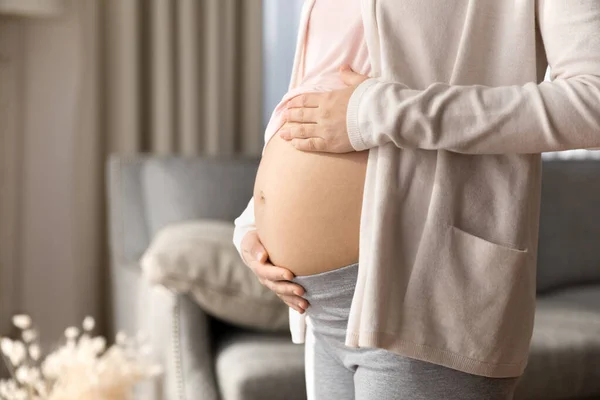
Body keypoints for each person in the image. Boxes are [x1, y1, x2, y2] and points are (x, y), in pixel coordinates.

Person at [233, 0, 600, 399]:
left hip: (426, 292)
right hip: (320, 308)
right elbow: (320, 81)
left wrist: (384, 111)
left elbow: (591, 103)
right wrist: (256, 222)